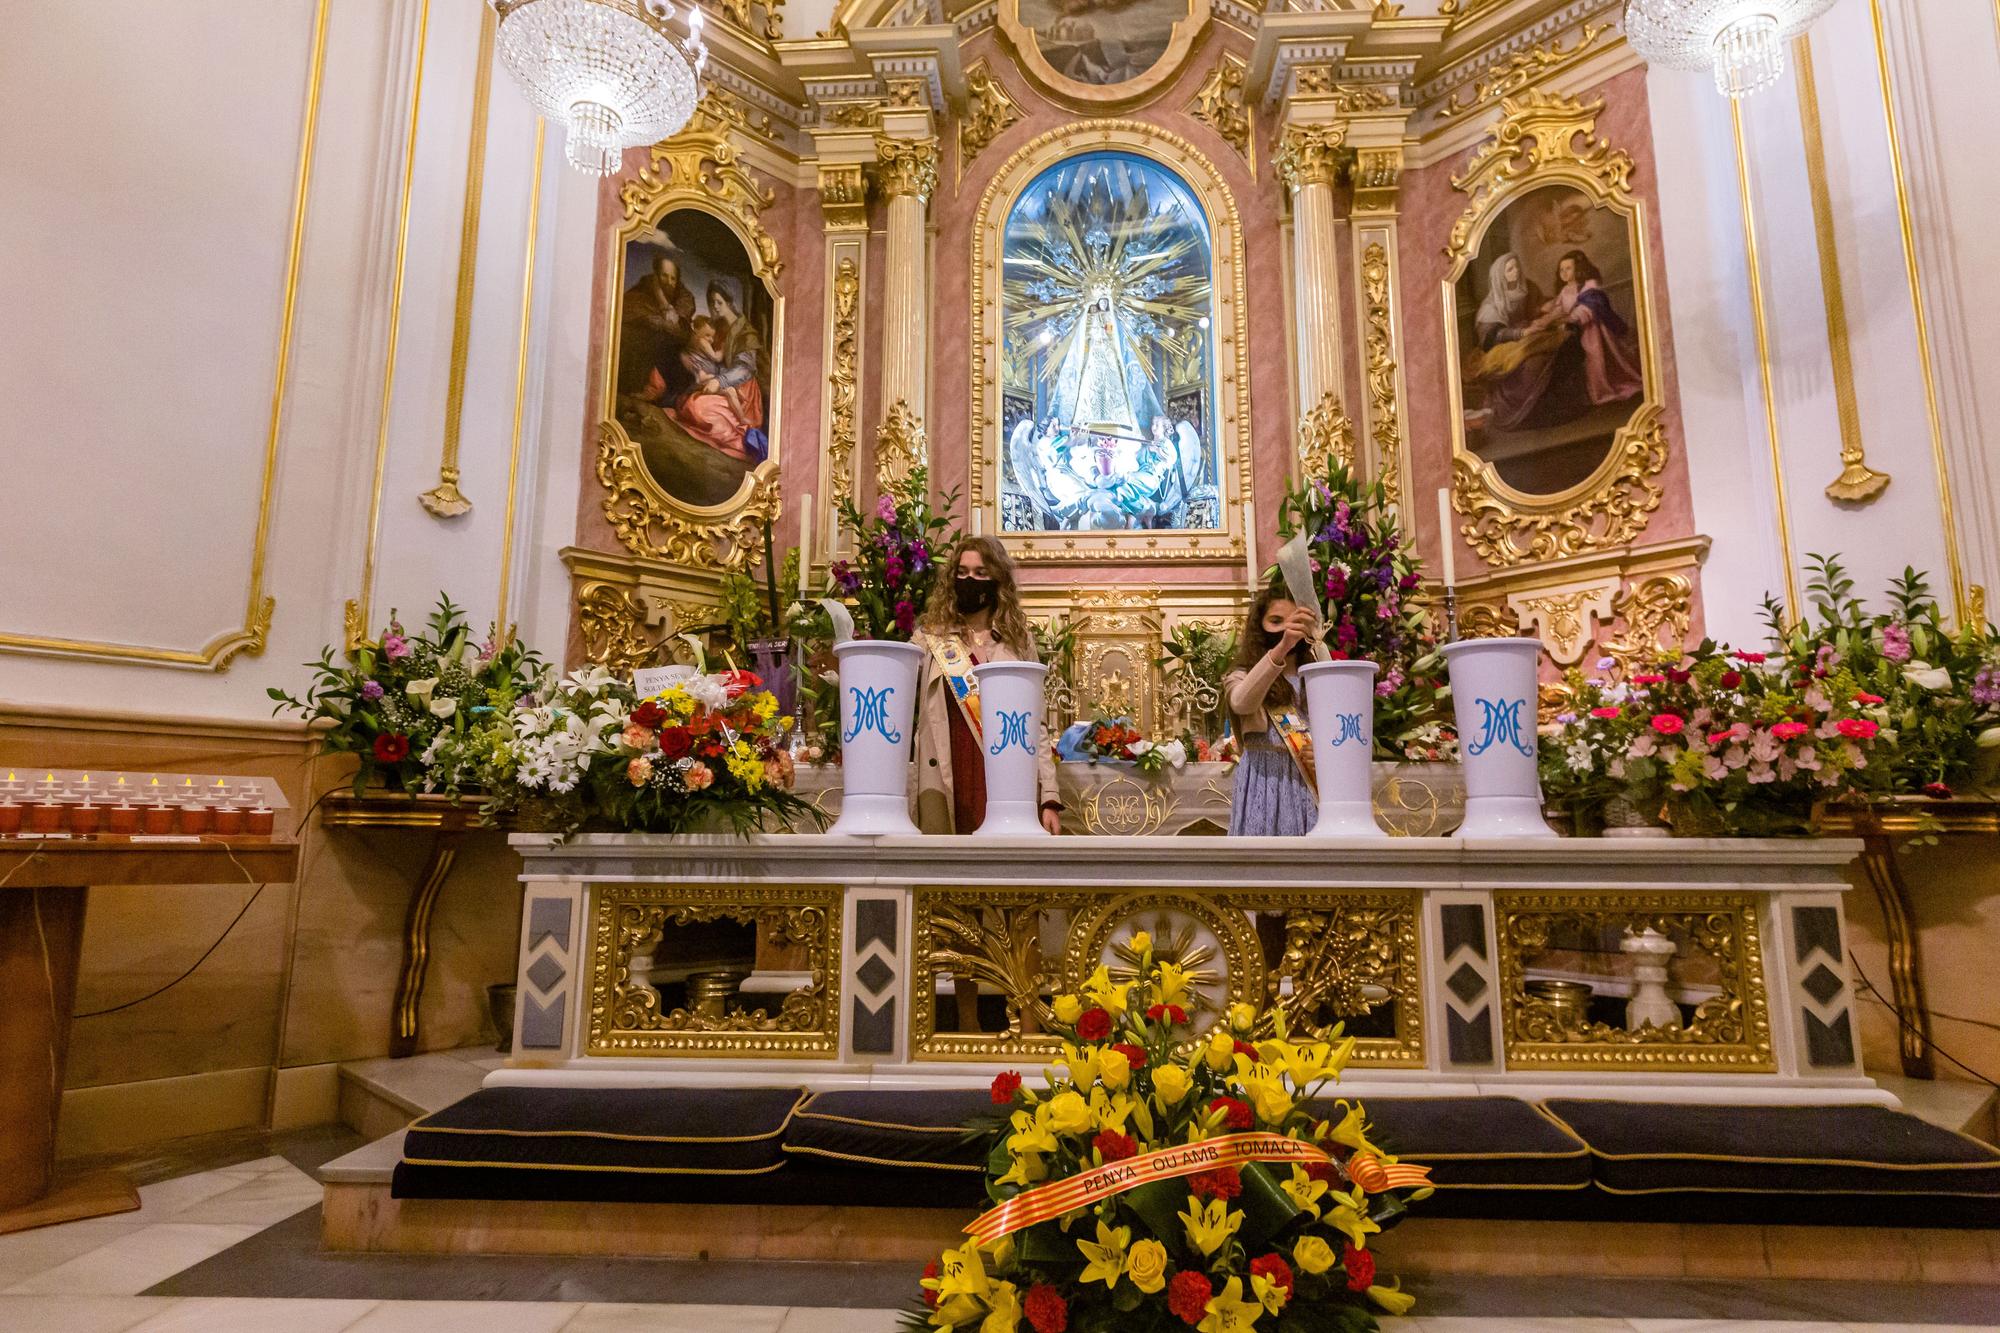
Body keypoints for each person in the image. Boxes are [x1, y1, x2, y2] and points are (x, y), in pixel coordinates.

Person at [911, 537, 1063, 836]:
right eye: (963, 572)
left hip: (1004, 777)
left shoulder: (1018, 640)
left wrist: (1049, 797)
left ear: (998, 579)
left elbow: (1037, 725)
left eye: (981, 573)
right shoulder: (929, 638)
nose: (971, 580)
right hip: (946, 768)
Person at [1222, 588, 1319, 836]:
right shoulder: (1242, 674)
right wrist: (1283, 647)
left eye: (1294, 621)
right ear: (1259, 627)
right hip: (1263, 779)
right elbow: (1242, 703)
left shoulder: (1317, 674)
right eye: (1276, 621)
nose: (1287, 629)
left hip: (1306, 780)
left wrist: (1324, 753)